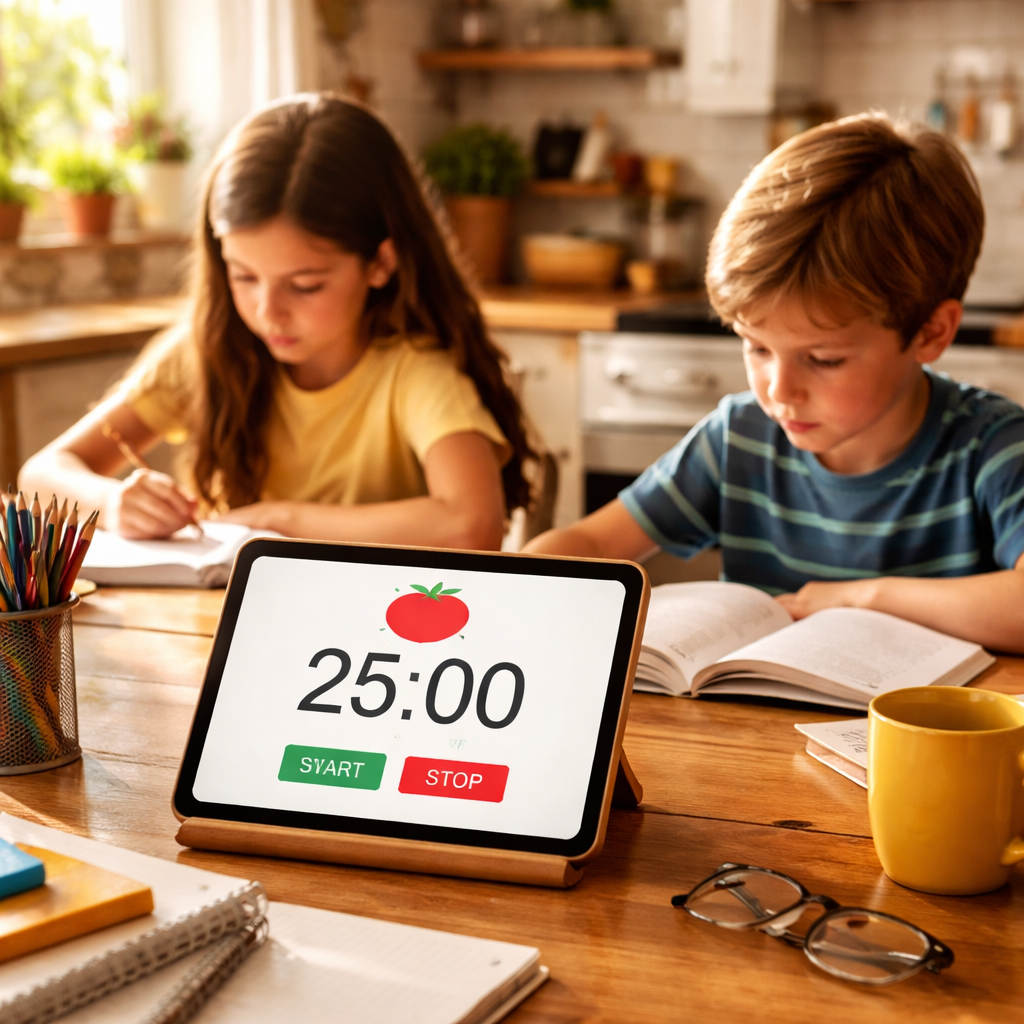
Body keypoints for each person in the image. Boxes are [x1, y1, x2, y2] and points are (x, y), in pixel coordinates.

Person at [526, 113, 1024, 653]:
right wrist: (516, 583)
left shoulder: (993, 448)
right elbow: (593, 541)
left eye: (824, 359)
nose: (779, 390)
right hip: (752, 735)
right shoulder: (739, 437)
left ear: (931, 332)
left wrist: (865, 599)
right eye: (757, 347)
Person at [20, 94, 533, 551]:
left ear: (380, 263)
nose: (268, 311)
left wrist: (278, 520)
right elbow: (39, 475)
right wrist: (113, 503)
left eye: (305, 285)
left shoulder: (416, 372)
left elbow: (473, 524)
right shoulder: (205, 349)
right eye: (243, 276)